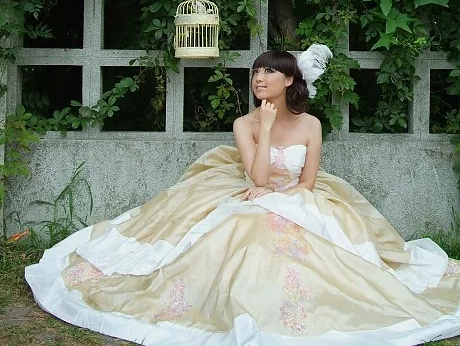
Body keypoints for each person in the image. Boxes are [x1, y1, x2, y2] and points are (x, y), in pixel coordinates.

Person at [25, 46, 460, 346]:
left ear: (289, 80)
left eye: (269, 72)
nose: (259, 78)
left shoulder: (311, 125)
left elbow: (308, 182)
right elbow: (257, 175)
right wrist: (264, 127)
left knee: (310, 241)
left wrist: (286, 200)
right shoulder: (244, 124)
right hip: (251, 189)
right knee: (241, 227)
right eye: (256, 72)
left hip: (298, 197)